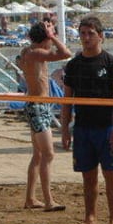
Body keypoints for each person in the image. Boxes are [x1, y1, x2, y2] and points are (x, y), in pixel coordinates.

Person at [60, 16, 113, 224]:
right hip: (82, 128)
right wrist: (64, 130)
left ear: (101, 36)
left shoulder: (111, 63)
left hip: (106, 127)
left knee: (111, 174)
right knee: (88, 176)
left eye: (90, 33)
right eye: (82, 34)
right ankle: (90, 219)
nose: (86, 38)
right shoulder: (73, 65)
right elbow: (67, 101)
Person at [19, 19, 71, 211]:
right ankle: (48, 201)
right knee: (48, 153)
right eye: (48, 37)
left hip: (39, 105)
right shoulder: (36, 53)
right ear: (44, 39)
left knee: (38, 155)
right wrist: (53, 37)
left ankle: (30, 198)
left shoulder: (29, 52)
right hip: (37, 106)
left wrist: (49, 33)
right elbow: (66, 53)